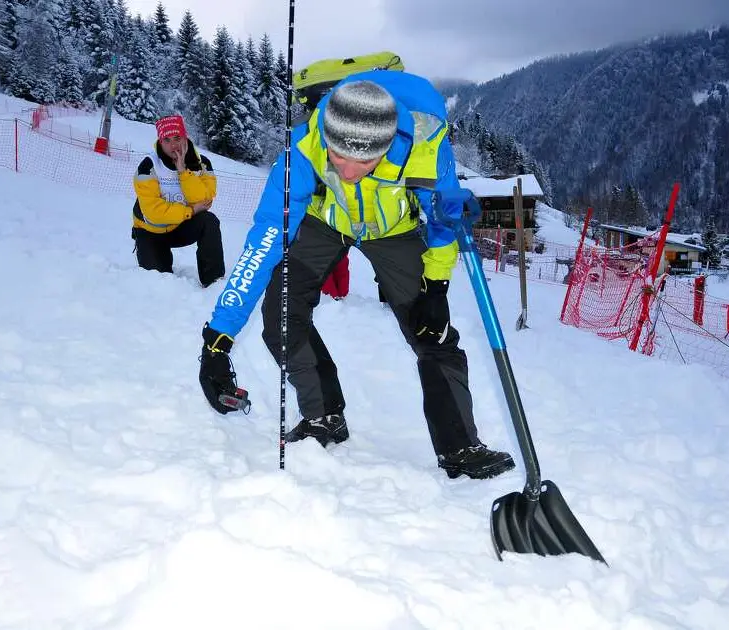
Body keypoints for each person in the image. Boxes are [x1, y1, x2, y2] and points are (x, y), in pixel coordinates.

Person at [197, 71, 515, 481]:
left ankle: (461, 446)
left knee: (430, 329)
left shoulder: (425, 145)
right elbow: (263, 245)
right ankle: (323, 415)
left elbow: (441, 224)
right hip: (323, 219)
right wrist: (218, 339)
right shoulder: (303, 153)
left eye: (364, 161)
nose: (347, 171)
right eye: (338, 157)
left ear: (387, 146)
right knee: (281, 314)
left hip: (394, 229)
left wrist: (436, 287)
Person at [132, 114, 225, 287]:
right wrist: (190, 211)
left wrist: (183, 172)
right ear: (160, 142)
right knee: (158, 282)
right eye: (167, 140)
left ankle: (214, 282)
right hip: (151, 230)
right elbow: (154, 213)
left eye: (177, 138)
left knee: (209, 221)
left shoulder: (202, 164)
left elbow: (204, 200)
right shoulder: (148, 167)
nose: (173, 145)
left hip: (181, 227)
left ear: (185, 137)